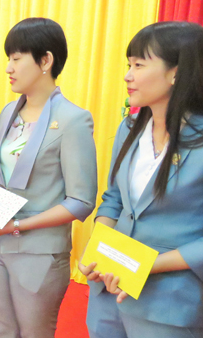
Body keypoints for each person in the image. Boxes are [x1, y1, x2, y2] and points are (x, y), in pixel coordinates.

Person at [0, 17, 98, 337]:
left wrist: (17, 225)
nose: (9, 67)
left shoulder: (73, 120)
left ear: (45, 60)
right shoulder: (8, 111)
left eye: (17, 58)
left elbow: (81, 201)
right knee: (4, 332)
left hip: (39, 252)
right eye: (9, 58)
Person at [80, 21, 203, 338]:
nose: (127, 75)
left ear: (176, 72)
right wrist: (98, 252)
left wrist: (145, 265)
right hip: (109, 290)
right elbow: (113, 200)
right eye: (128, 64)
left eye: (139, 65)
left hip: (169, 302)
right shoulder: (130, 126)